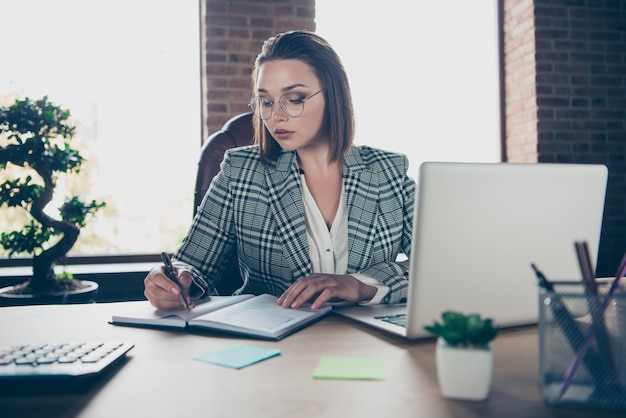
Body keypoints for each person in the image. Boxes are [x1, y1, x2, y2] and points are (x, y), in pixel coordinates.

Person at [144, 30, 416, 311]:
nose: (277, 115)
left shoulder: (389, 173)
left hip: (368, 346)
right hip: (272, 347)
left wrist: (362, 284)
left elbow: (442, 266)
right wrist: (170, 281)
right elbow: (192, 265)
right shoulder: (240, 172)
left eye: (295, 98)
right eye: (266, 101)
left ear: (334, 96)